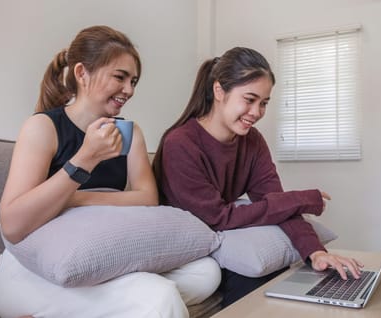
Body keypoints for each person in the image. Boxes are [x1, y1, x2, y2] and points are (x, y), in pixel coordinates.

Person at [0, 25, 220, 318]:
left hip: (95, 259)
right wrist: (85, 159)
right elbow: (12, 224)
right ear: (81, 74)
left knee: (206, 273)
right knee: (158, 297)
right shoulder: (43, 128)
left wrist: (74, 200)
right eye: (120, 77)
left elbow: (147, 197)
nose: (129, 90)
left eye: (134, 81)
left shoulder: (129, 132)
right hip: (31, 271)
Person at [152, 46, 363, 307]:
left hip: (220, 237)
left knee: (287, 275)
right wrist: (300, 199)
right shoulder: (180, 144)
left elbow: (275, 201)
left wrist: (316, 252)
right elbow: (217, 217)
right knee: (250, 281)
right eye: (249, 99)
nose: (256, 112)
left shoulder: (252, 141)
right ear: (219, 91)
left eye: (263, 103)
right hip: (187, 246)